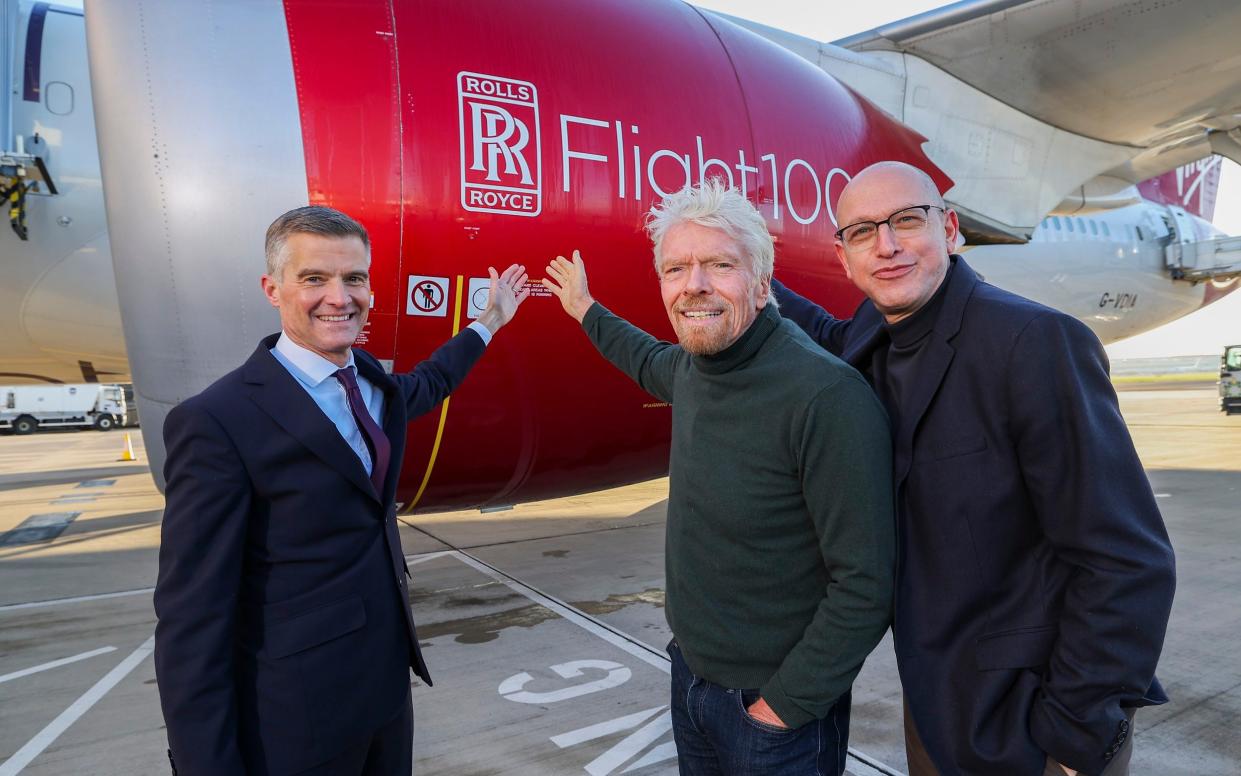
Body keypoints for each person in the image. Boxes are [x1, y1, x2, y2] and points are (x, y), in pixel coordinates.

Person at [771, 161, 1176, 776]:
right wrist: (738, 264)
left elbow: (1127, 560)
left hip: (1030, 725)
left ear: (951, 228)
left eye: (907, 220)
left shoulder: (1033, 342)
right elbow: (820, 332)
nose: (886, 245)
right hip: (936, 711)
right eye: (862, 232)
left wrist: (1074, 735)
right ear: (844, 257)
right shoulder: (870, 339)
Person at [153, 205, 529, 775]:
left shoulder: (371, 383)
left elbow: (431, 382)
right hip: (295, 720)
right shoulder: (217, 420)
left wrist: (488, 322)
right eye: (314, 279)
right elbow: (192, 616)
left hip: (384, 695)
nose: (340, 296)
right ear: (272, 288)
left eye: (354, 278)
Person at [541, 180, 895, 776]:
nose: (694, 285)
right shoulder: (693, 368)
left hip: (777, 712)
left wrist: (784, 706)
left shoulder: (826, 397)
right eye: (676, 269)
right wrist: (584, 308)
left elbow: (866, 583)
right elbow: (643, 357)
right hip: (690, 680)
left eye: (718, 265)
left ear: (761, 285)